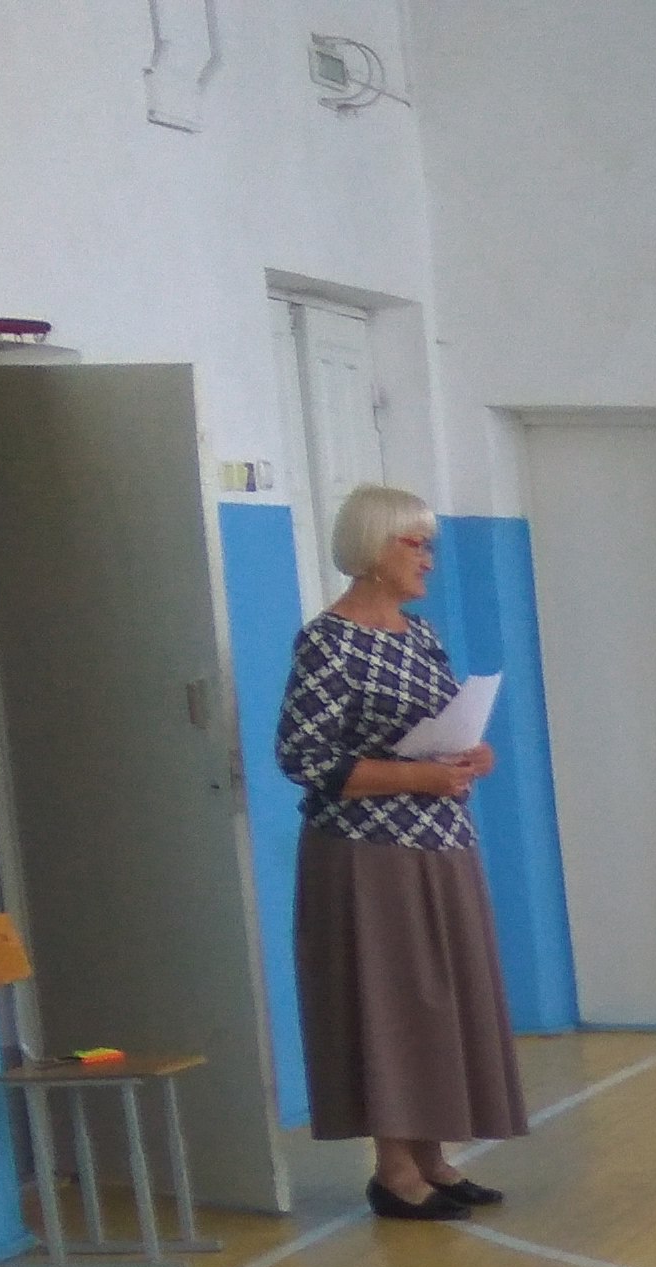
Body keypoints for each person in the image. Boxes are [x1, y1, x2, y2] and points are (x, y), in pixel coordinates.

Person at [274, 486, 525, 1219]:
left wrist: (473, 757)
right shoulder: (328, 641)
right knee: (391, 1002)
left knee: (441, 999)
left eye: (429, 545)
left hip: (441, 843)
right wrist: (418, 777)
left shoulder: (420, 635)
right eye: (415, 544)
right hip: (366, 853)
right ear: (373, 549)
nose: (428, 560)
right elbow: (303, 756)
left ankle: (433, 1158)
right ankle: (393, 1171)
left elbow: (437, 728)